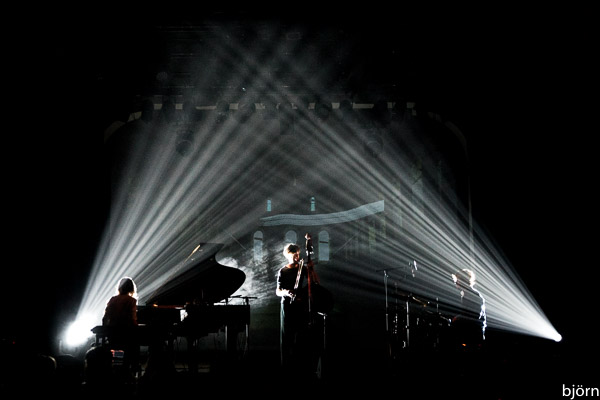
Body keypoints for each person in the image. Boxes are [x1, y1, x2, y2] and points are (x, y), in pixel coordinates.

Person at [102, 276, 140, 377]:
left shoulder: (112, 300)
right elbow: (132, 319)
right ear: (131, 288)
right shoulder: (132, 301)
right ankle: (131, 369)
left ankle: (116, 370)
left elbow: (105, 318)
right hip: (126, 334)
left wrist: (106, 331)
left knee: (119, 350)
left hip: (113, 335)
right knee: (134, 346)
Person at [449, 269, 487, 348]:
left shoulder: (474, 295)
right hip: (470, 335)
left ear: (464, 280)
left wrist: (457, 318)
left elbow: (474, 315)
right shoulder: (465, 294)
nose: (455, 282)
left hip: (473, 337)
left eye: (457, 280)